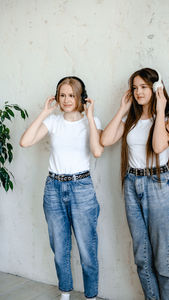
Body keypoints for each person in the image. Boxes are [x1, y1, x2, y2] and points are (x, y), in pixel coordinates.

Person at [20, 76, 104, 300]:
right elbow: (25, 142)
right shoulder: (53, 121)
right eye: (62, 95)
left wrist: (89, 117)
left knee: (87, 251)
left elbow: (97, 151)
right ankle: (65, 293)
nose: (66, 99)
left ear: (81, 97)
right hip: (53, 188)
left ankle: (91, 296)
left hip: (82, 188)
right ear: (57, 97)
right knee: (60, 249)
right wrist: (45, 113)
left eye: (72, 95)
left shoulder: (92, 120)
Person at [101, 68, 169, 300]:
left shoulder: (168, 119)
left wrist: (159, 107)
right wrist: (122, 109)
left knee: (162, 257)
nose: (138, 92)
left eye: (144, 87)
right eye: (135, 88)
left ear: (157, 88)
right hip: (131, 184)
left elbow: (157, 147)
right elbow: (105, 140)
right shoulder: (131, 120)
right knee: (142, 256)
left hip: (157, 184)